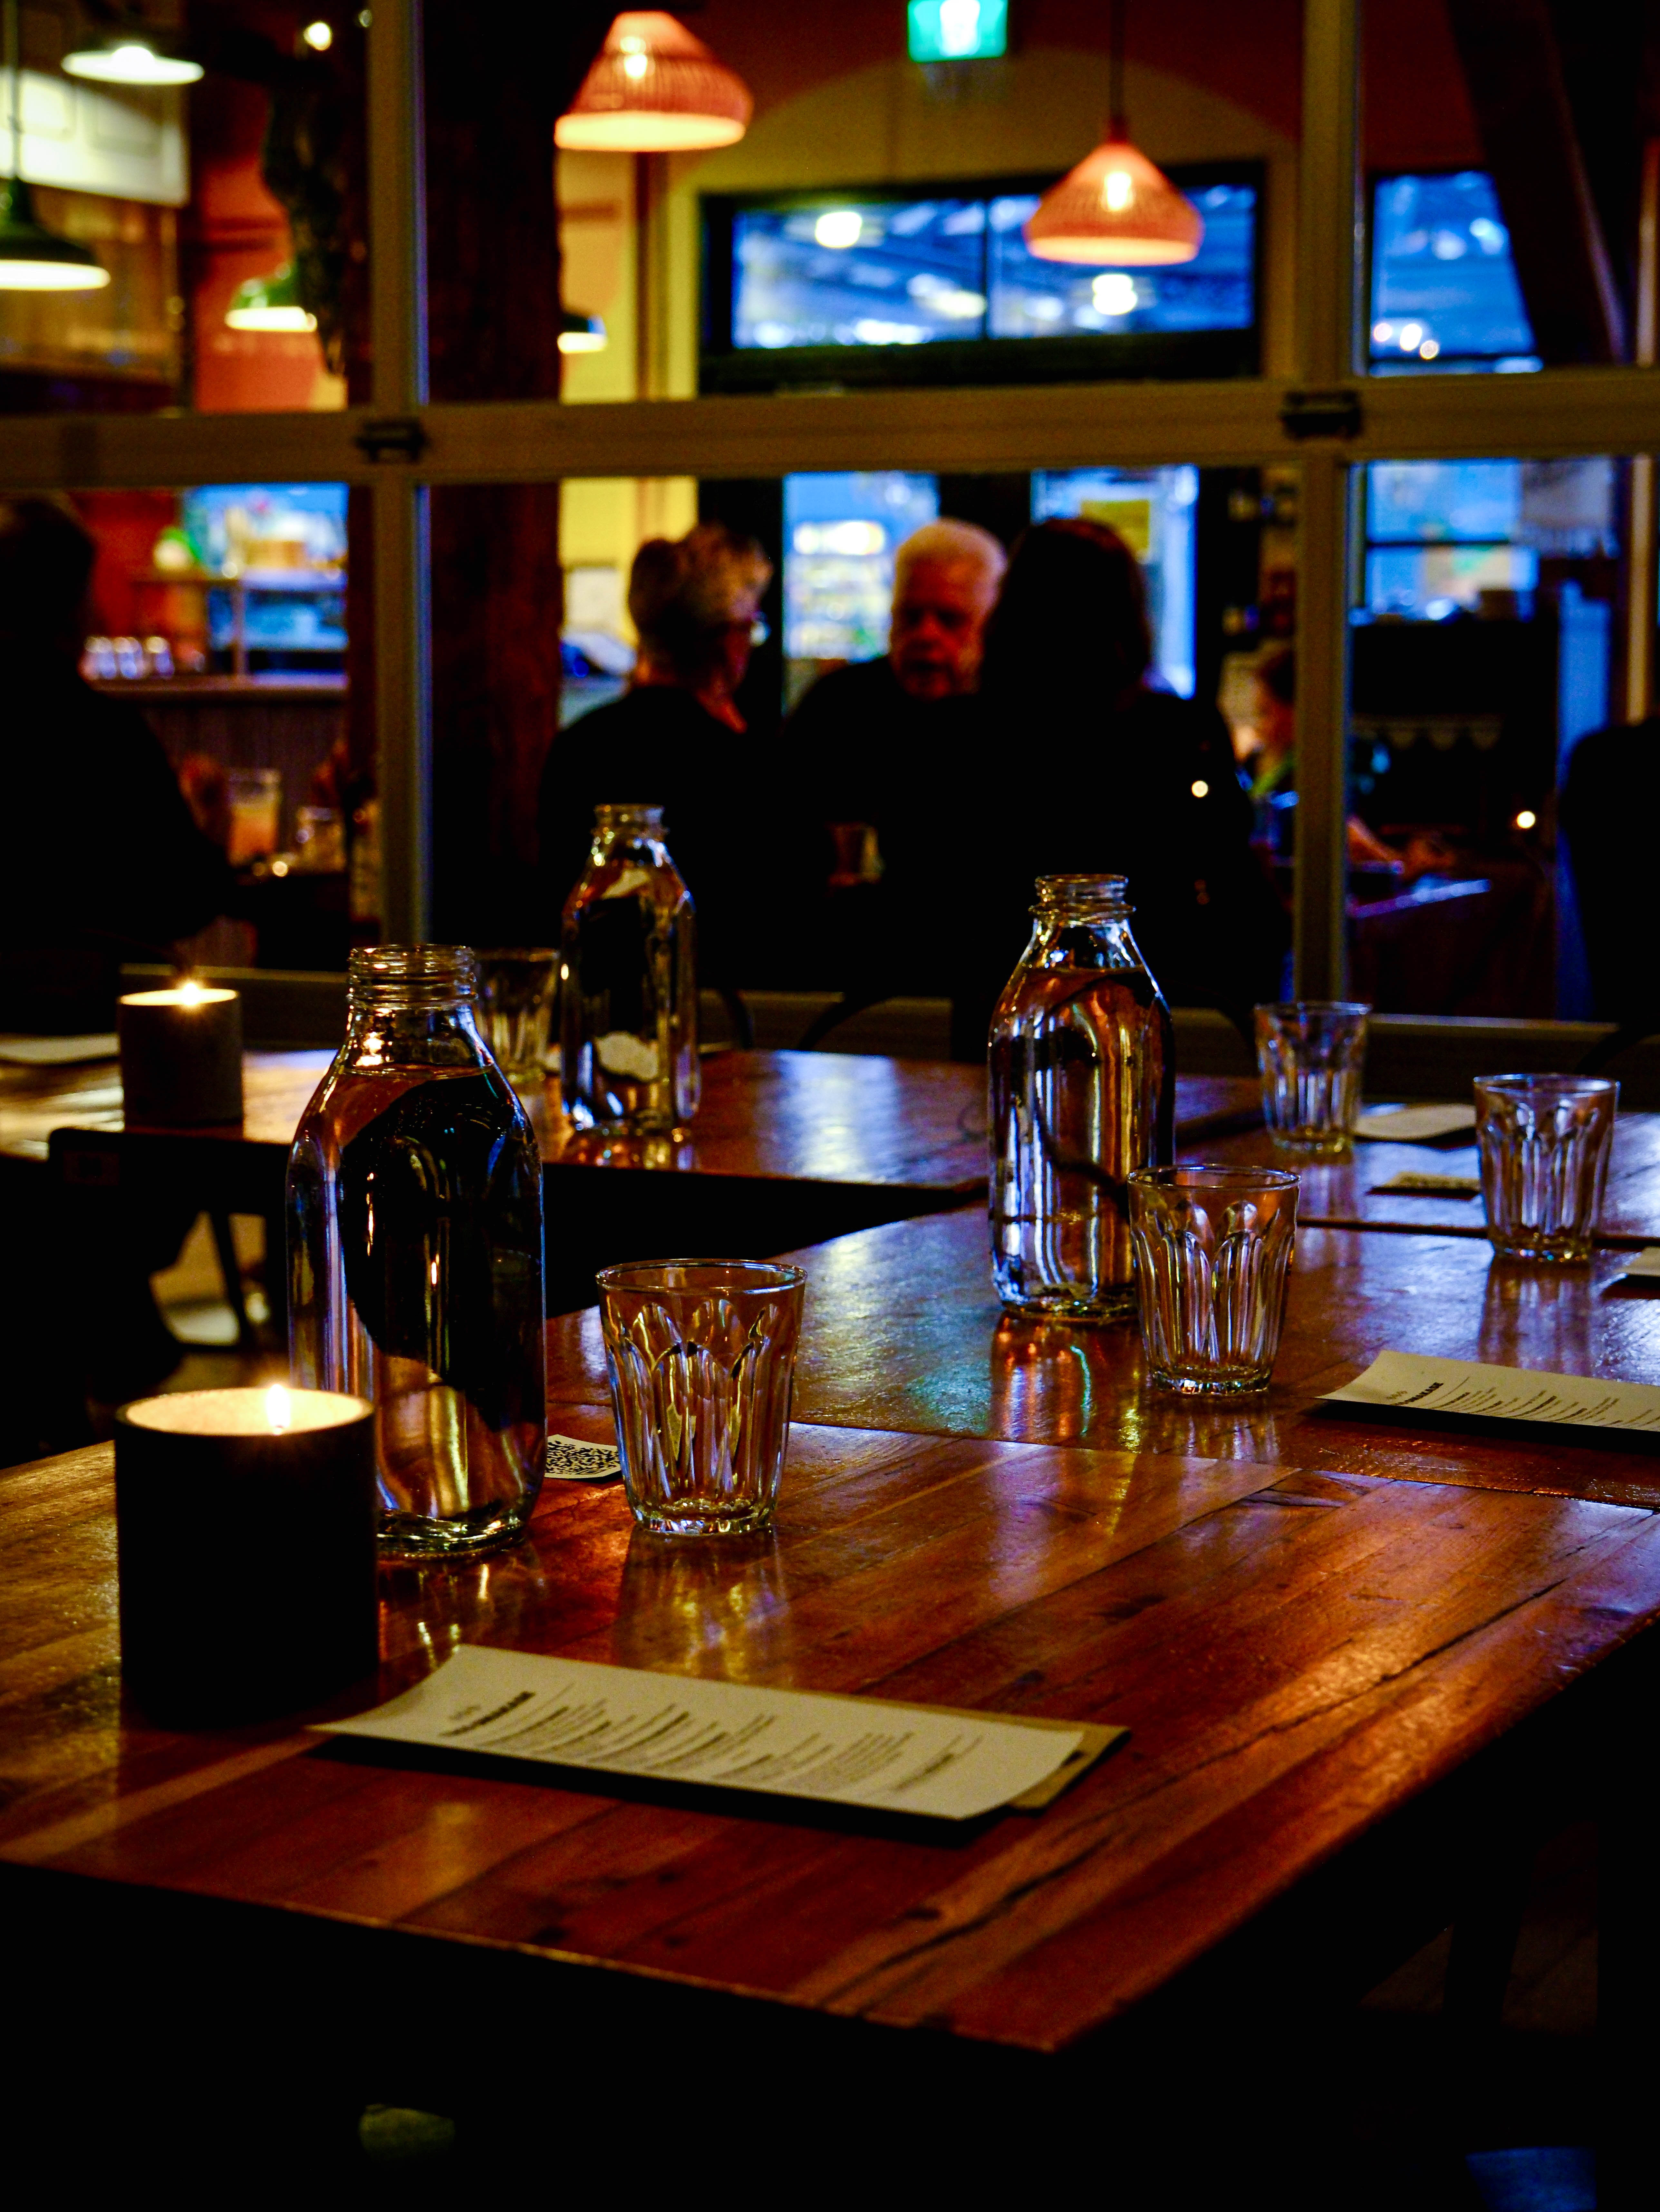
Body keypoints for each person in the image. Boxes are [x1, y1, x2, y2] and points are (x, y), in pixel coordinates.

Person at [933, 517, 1289, 1055]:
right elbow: (1225, 873)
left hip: (1000, 1010)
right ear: (1127, 614)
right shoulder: (1177, 732)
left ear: (1011, 610)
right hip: (1150, 1005)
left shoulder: (959, 733)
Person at [0, 498, 236, 1033]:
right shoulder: (103, 734)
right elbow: (185, 901)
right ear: (71, 608)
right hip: (96, 1031)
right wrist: (212, 830)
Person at [537, 522, 772, 977]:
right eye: (751, 629)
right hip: (725, 1002)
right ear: (728, 642)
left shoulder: (578, 745)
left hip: (593, 998)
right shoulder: (740, 763)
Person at [785, 518, 1007, 846]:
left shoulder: (1012, 717)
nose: (926, 635)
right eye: (910, 617)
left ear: (990, 625)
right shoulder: (838, 706)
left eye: (950, 620)